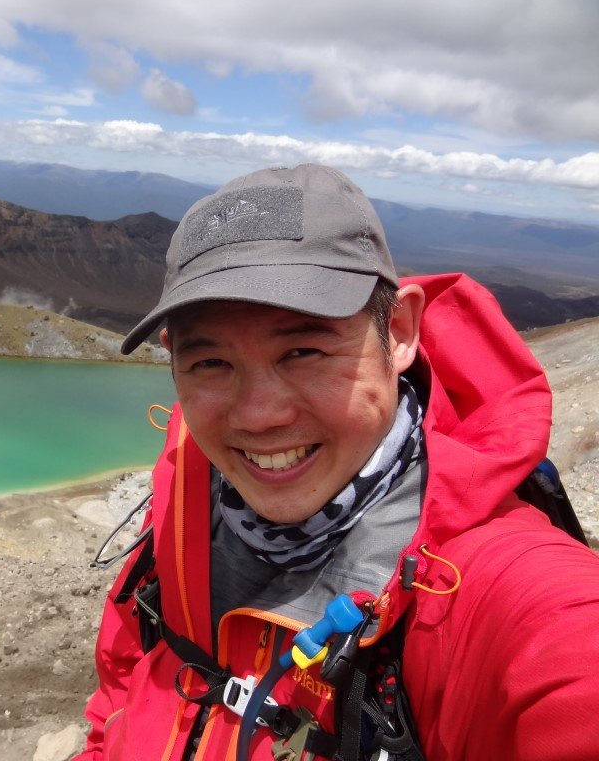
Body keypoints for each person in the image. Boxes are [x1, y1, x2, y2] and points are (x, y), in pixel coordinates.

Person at [77, 164, 599, 761]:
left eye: (304, 350)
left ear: (398, 331)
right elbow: (122, 692)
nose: (257, 416)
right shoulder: (188, 503)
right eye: (210, 363)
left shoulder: (513, 598)